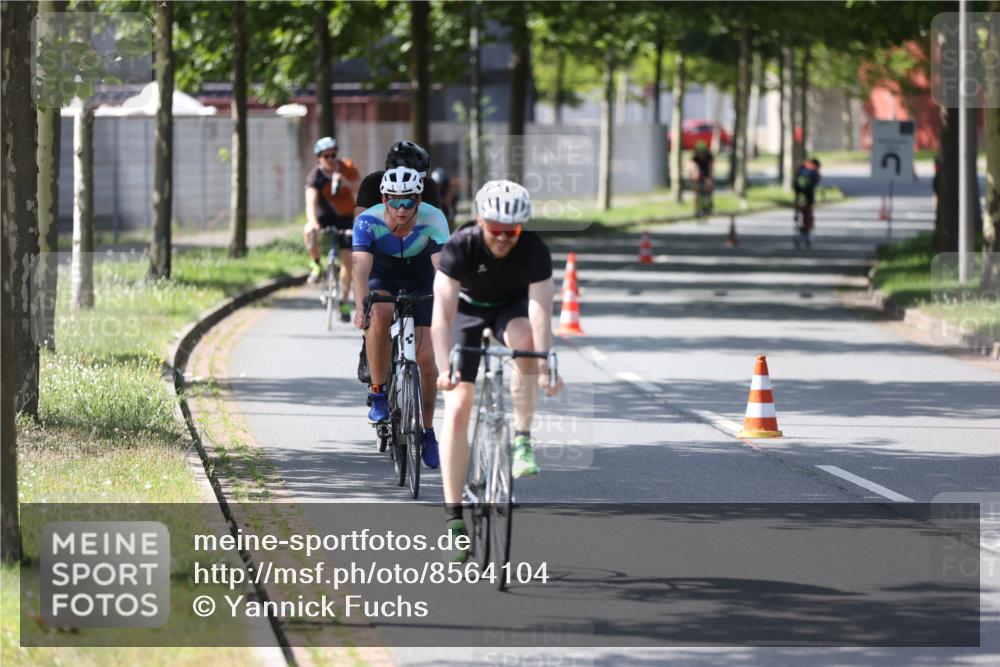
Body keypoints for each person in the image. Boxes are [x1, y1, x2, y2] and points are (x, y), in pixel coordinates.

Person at [431, 180, 563, 559]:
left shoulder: (534, 250)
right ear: (480, 220)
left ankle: (521, 437)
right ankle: (454, 519)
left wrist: (545, 363)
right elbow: (441, 315)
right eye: (496, 229)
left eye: (513, 231)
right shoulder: (461, 245)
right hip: (467, 311)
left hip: (511, 307)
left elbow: (540, 313)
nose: (504, 238)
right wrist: (444, 369)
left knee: (526, 344)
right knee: (459, 405)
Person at [352, 166, 451, 469]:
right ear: (384, 199)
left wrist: (448, 309)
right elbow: (360, 270)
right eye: (394, 201)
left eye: (408, 201)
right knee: (379, 313)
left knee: (426, 360)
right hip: (383, 276)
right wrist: (360, 308)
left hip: (421, 279)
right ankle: (379, 393)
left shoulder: (434, 219)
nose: (401, 208)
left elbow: (442, 269)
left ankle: (428, 431)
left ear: (419, 200)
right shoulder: (368, 222)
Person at [304, 137, 361, 321]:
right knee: (309, 230)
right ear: (319, 158)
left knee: (348, 262)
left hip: (345, 218)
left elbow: (361, 187)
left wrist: (346, 182)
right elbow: (310, 203)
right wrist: (313, 222)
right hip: (323, 216)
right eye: (326, 156)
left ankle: (344, 302)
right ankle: (315, 264)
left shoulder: (347, 167)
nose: (331, 159)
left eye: (333, 155)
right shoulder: (315, 176)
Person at [354, 140, 443, 216]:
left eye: (421, 178)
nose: (420, 183)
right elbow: (360, 223)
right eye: (413, 178)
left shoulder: (428, 185)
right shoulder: (372, 184)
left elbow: (436, 223)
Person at [793, 157, 822, 248]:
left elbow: (796, 174)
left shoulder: (803, 165)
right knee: (809, 209)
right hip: (809, 191)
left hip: (798, 189)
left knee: (799, 202)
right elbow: (817, 181)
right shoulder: (815, 169)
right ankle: (808, 227)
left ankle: (797, 214)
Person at [689, 140, 714, 216]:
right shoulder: (694, 157)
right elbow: (691, 166)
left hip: (706, 175)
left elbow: (711, 168)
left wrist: (710, 179)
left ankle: (709, 202)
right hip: (697, 176)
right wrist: (694, 174)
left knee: (709, 187)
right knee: (696, 192)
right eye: (700, 152)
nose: (701, 154)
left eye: (703, 152)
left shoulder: (709, 157)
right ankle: (696, 209)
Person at [430, 166, 458, 231]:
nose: (438, 185)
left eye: (440, 183)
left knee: (450, 214)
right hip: (440, 203)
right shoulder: (432, 186)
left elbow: (448, 201)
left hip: (448, 205)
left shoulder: (449, 185)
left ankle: (451, 233)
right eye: (436, 183)